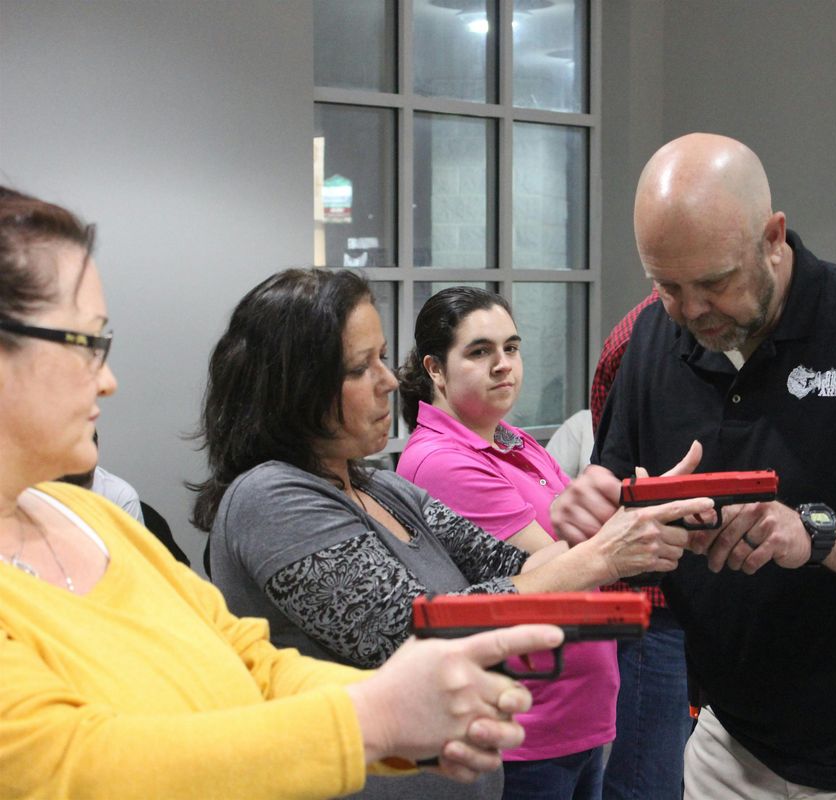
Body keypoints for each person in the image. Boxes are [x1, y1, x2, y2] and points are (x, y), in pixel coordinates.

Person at [0, 185, 562, 799]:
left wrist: (399, 709)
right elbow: (74, 764)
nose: (107, 381)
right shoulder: (271, 494)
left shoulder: (88, 517)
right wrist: (373, 720)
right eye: (86, 344)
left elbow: (250, 661)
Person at [553, 133, 836, 798]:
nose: (692, 311)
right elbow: (619, 487)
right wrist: (592, 505)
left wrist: (817, 534)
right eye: (667, 285)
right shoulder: (655, 336)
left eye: (714, 282)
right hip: (731, 743)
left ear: (773, 237)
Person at [194, 271, 711, 800]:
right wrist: (604, 554)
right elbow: (409, 631)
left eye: (382, 358)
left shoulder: (382, 488)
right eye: (360, 367)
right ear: (295, 387)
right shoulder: (271, 498)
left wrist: (635, 517)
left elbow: (513, 568)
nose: (389, 381)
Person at [394, 287, 616, 799]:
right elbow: (556, 570)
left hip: (573, 717)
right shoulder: (443, 460)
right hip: (524, 729)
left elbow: (582, 540)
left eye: (511, 348)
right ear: (435, 368)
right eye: (480, 352)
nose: (503, 365)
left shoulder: (514, 440)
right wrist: (624, 531)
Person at [589, 289, 694, 800]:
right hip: (653, 606)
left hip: (699, 599)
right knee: (645, 781)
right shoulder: (640, 339)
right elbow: (614, 468)